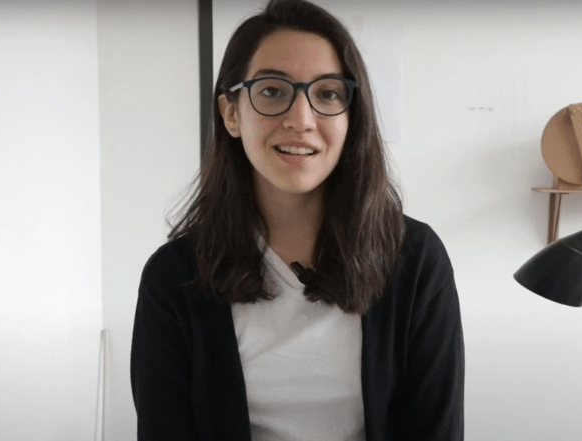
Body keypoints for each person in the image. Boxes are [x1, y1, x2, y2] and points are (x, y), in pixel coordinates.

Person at [130, 0, 465, 439]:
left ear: (352, 117)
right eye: (272, 91)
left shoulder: (416, 259)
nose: (301, 120)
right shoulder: (172, 277)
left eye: (327, 94)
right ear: (231, 114)